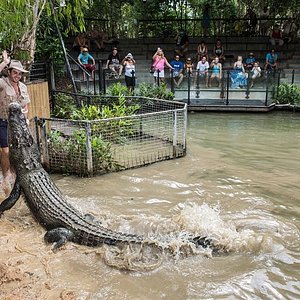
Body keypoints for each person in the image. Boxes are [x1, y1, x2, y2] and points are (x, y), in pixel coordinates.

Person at [0, 51, 30, 195]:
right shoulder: (2, 83)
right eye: (15, 73)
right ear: (9, 72)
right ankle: (6, 176)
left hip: (18, 124)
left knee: (17, 152)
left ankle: (16, 176)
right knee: (5, 151)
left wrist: (27, 119)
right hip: (3, 121)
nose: (17, 76)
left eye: (20, 74)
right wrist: (5, 62)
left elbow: (25, 106)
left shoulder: (23, 87)